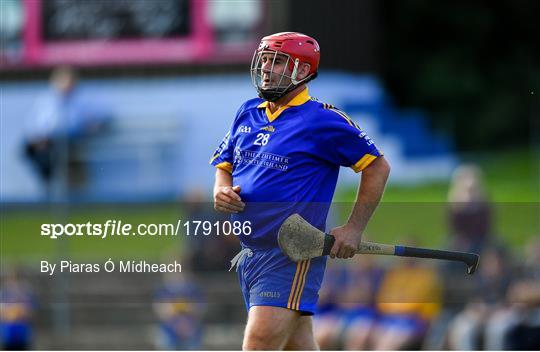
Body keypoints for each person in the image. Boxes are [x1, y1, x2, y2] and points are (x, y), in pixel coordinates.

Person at [209, 32, 390, 350]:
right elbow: (224, 162)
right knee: (297, 342)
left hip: (292, 249)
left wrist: (354, 228)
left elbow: (377, 167)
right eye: (264, 59)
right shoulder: (247, 112)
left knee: (260, 339)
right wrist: (221, 189)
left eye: (277, 61)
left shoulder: (322, 121)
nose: (266, 67)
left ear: (304, 71)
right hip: (251, 250)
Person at [23, 66, 110, 193]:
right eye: (62, 82)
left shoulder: (81, 99)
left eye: (69, 82)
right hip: (47, 144)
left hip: (73, 142)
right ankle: (51, 193)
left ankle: (75, 196)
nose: (66, 86)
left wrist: (93, 124)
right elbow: (35, 125)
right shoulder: (45, 100)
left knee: (74, 166)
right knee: (42, 158)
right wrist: (39, 138)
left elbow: (101, 116)